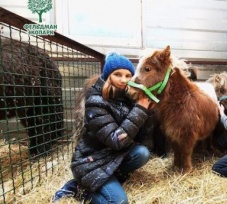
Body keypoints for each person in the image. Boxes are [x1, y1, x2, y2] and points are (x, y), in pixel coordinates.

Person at [52, 52, 153, 203]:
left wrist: (147, 110)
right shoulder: (96, 100)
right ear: (108, 75)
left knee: (142, 153)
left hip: (112, 156)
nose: (123, 80)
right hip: (90, 162)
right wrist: (140, 109)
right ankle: (79, 190)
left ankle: (112, 179)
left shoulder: (125, 97)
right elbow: (116, 140)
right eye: (117, 74)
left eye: (127, 76)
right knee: (118, 202)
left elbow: (134, 128)